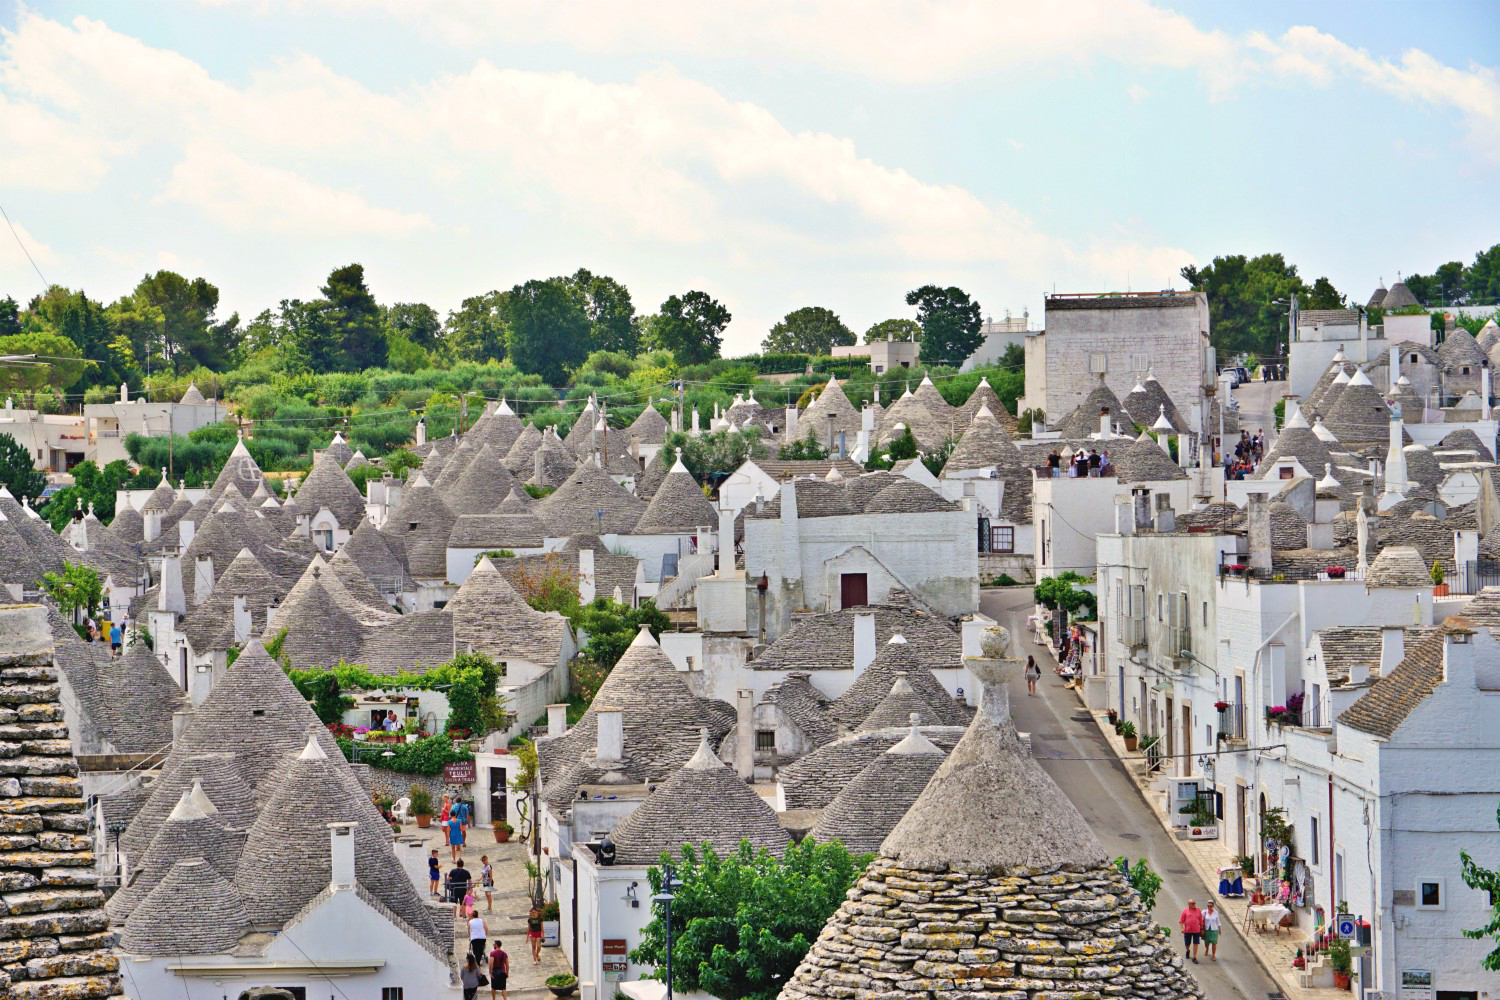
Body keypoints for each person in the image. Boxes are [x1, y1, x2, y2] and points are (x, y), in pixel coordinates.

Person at [1180, 899, 1204, 964]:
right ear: (1189, 904)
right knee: (1187, 943)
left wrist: (1202, 929)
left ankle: (1194, 957)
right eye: (1192, 904)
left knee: (1196, 943)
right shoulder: (1185, 911)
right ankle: (1188, 950)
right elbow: (1181, 921)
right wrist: (1182, 928)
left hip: (1196, 930)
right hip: (1187, 930)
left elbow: (1201, 921)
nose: (1194, 905)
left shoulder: (1198, 910)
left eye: (1194, 903)